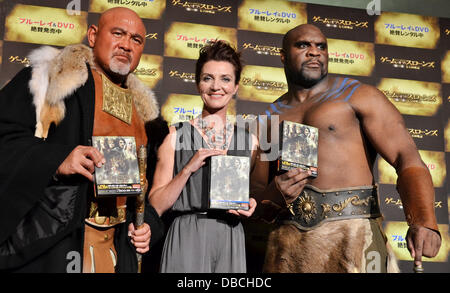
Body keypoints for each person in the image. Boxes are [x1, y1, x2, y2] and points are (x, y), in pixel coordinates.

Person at [251, 24, 441, 273]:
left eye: (321, 46)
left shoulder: (358, 96)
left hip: (353, 236)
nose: (314, 52)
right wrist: (274, 194)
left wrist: (424, 220)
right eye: (303, 45)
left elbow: (407, 158)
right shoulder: (268, 118)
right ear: (283, 56)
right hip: (289, 245)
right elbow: (255, 194)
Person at [0, 7, 164, 273]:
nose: (126, 45)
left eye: (136, 39)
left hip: (116, 250)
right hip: (56, 246)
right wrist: (58, 159)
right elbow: (5, 137)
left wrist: (147, 226)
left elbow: (149, 190)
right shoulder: (49, 79)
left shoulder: (146, 117)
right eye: (118, 33)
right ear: (92, 35)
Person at [149, 40, 258, 273]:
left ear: (236, 86)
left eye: (225, 79)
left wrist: (252, 204)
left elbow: (257, 199)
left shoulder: (250, 142)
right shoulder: (174, 136)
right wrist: (188, 168)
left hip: (232, 236)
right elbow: (155, 204)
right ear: (198, 84)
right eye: (208, 78)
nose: (216, 86)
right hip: (188, 234)